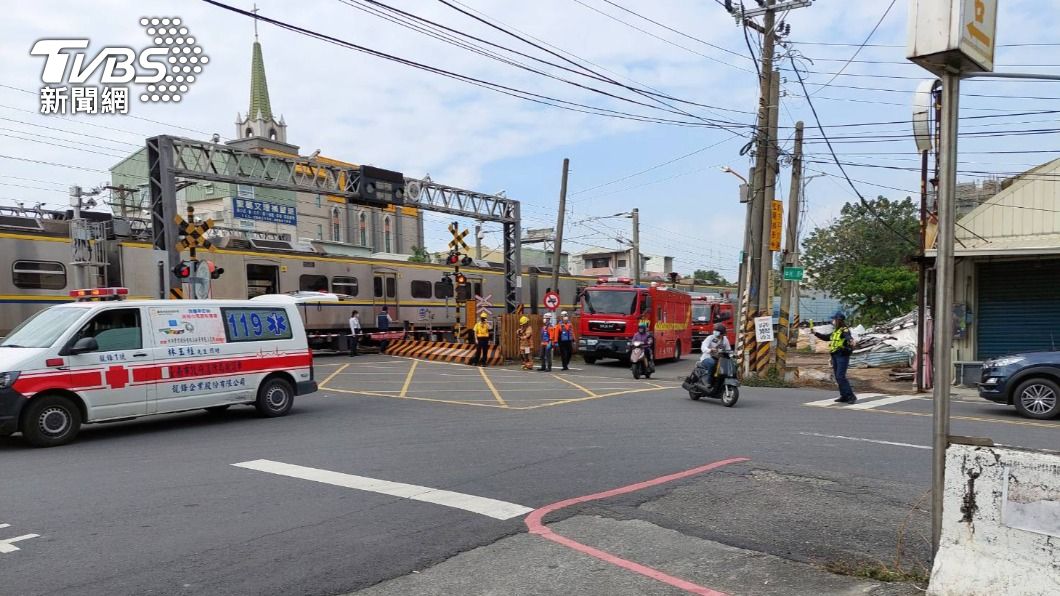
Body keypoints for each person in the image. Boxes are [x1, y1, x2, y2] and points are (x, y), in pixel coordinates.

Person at [813, 312, 857, 404]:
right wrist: (815, 333)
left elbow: (848, 336)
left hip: (842, 355)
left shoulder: (844, 330)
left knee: (841, 376)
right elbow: (826, 337)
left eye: (834, 319)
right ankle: (844, 396)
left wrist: (851, 340)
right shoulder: (836, 331)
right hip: (835, 356)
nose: (832, 321)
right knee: (838, 377)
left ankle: (851, 396)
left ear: (838, 320)